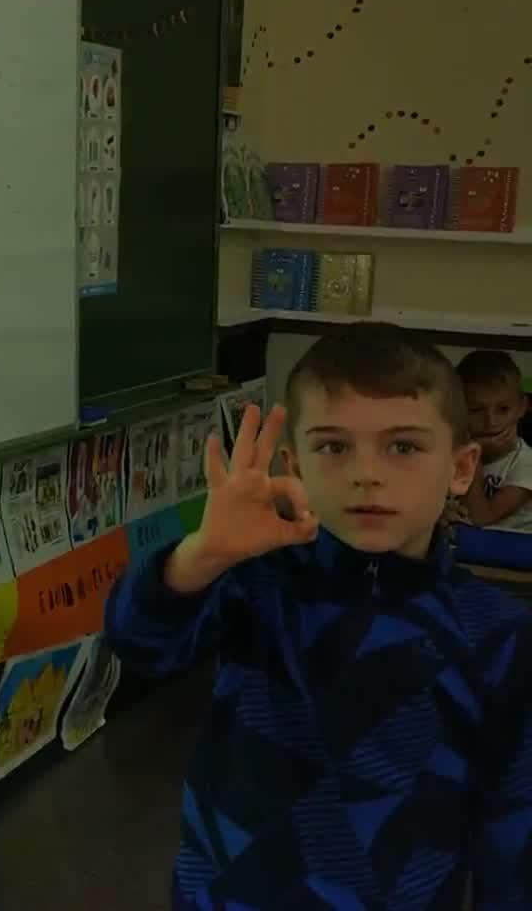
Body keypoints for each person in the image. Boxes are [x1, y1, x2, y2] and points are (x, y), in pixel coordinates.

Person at [105, 323, 532, 908]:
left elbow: (514, 824)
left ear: (461, 469)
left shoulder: (497, 633)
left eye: (403, 447)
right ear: (296, 466)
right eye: (333, 447)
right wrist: (202, 556)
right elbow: (139, 644)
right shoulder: (256, 581)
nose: (366, 473)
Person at [456, 349, 532, 532]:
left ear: (522, 408)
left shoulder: (526, 463)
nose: (491, 421)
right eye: (476, 410)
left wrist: (472, 456)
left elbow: (479, 519)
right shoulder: (449, 449)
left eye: (503, 409)